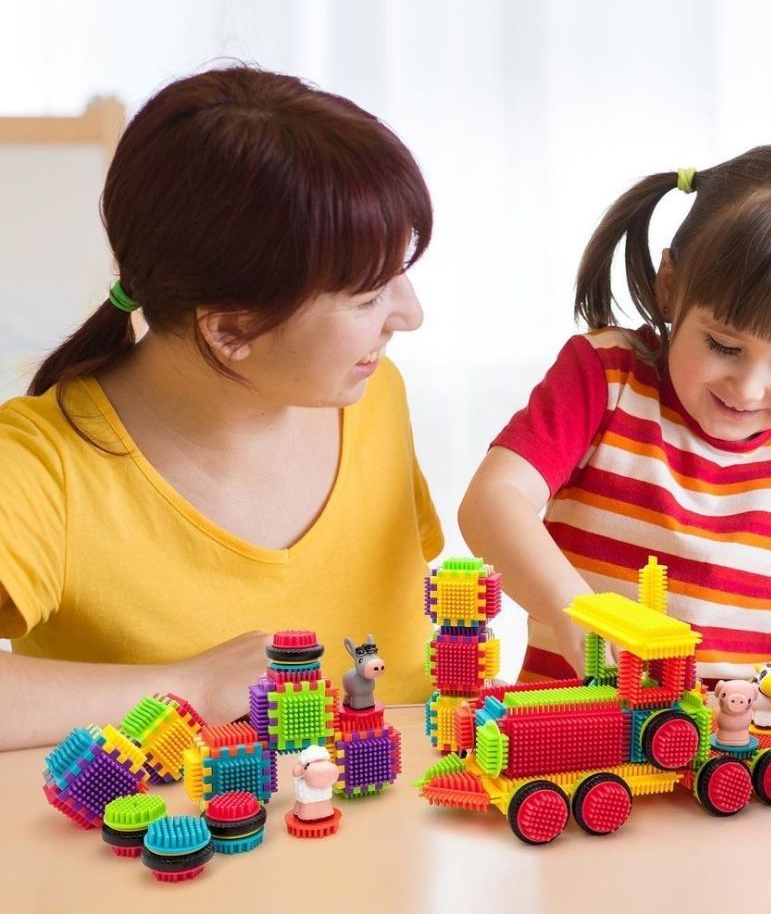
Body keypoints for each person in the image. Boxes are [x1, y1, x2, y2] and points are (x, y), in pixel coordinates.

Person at [0, 66, 443, 750]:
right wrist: (186, 688)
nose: (410, 315)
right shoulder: (40, 465)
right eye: (367, 296)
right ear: (229, 329)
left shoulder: (374, 394)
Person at [460, 147, 771, 719]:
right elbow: (492, 501)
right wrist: (578, 612)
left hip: (733, 753)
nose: (748, 389)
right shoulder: (603, 377)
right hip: (572, 733)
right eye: (723, 345)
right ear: (671, 286)